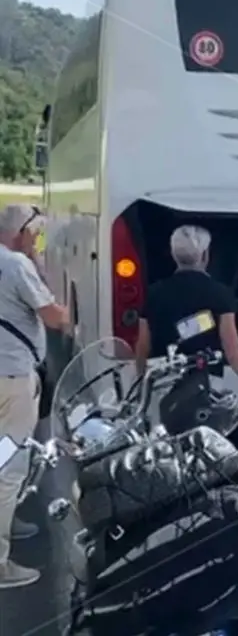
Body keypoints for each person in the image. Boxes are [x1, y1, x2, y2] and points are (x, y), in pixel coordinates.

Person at [0, 205, 69, 588]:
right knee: (8, 466)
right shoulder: (16, 265)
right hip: (11, 378)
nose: (37, 240)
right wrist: (38, 264)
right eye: (35, 234)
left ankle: (8, 520)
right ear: (21, 233)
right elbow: (56, 316)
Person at [134, 225, 238, 417]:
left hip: (162, 384)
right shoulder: (220, 294)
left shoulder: (154, 293)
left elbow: (142, 346)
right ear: (205, 255)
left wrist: (141, 386)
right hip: (205, 385)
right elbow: (232, 347)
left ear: (174, 255)